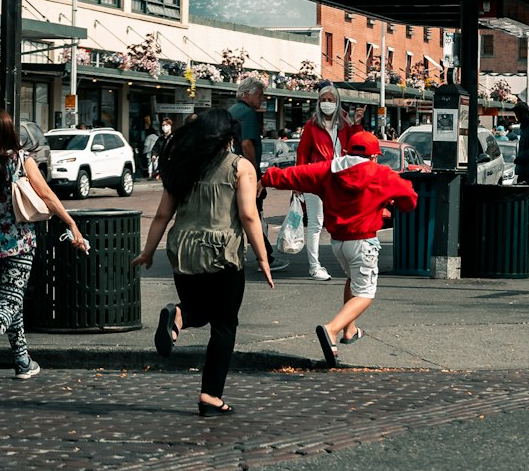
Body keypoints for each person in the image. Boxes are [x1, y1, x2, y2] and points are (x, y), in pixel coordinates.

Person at [132, 108, 273, 415]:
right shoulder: (240, 166)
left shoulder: (183, 165)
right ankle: (211, 395)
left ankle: (179, 316)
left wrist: (147, 251)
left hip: (183, 250)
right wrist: (262, 257)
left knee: (198, 308)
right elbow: (249, 215)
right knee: (224, 323)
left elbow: (161, 216)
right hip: (223, 251)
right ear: (228, 137)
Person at [0, 109, 88, 382]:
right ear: (8, 133)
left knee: (12, 300)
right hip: (20, 241)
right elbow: (46, 195)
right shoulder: (21, 160)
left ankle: (22, 361)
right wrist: (71, 223)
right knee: (11, 301)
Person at [262, 127, 417, 366]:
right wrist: (396, 202)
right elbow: (410, 198)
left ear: (346, 150)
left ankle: (350, 329)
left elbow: (295, 174)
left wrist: (266, 178)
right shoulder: (382, 174)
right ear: (374, 155)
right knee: (365, 293)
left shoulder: (328, 170)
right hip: (364, 241)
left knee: (351, 279)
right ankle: (332, 329)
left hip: (338, 242)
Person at [229, 75, 288, 273]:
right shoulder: (248, 114)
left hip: (230, 169)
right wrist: (254, 173)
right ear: (247, 94)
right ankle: (265, 257)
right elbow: (247, 143)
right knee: (252, 214)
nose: (261, 99)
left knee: (239, 213)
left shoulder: (232, 111)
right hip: (244, 171)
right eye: (259, 95)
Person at [295, 82, 346, 280]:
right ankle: (314, 266)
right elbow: (302, 154)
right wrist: (297, 182)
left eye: (330, 100)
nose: (326, 103)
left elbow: (354, 146)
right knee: (316, 224)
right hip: (316, 180)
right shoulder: (312, 125)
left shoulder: (344, 125)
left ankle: (347, 262)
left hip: (339, 181)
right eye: (323, 100)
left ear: (337, 102)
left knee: (340, 224)